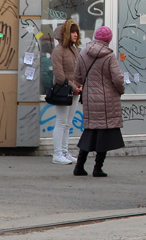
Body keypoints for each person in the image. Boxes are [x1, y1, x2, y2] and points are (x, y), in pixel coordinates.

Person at [72, 26, 126, 177]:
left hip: (90, 98)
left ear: (95, 36)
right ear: (109, 39)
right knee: (104, 133)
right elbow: (117, 78)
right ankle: (97, 168)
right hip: (107, 99)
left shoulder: (83, 52)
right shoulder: (109, 56)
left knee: (90, 131)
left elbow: (77, 76)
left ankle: (79, 166)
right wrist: (120, 90)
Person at [49, 18, 83, 164]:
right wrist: (75, 87)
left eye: (76, 32)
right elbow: (59, 75)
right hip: (63, 91)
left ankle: (64, 151)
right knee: (61, 122)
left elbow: (78, 71)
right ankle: (57, 154)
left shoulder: (74, 49)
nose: (75, 34)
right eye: (72, 32)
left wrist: (79, 86)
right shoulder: (58, 50)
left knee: (68, 123)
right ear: (66, 34)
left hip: (74, 91)